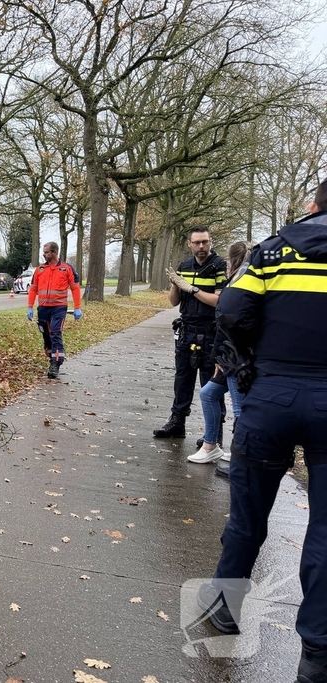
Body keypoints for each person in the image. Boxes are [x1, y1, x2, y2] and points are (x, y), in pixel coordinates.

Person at [201, 180, 327, 683]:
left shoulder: (275, 250)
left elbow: (231, 310)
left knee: (247, 518)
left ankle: (218, 615)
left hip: (271, 396)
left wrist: (253, 359)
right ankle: (316, 656)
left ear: (314, 206)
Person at [154, 226, 228, 437]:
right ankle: (177, 422)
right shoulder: (184, 266)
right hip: (186, 331)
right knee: (183, 378)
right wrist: (176, 285)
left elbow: (219, 301)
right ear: (190, 244)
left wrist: (192, 289)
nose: (201, 246)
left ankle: (215, 433)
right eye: (197, 243)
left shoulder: (219, 266)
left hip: (210, 331)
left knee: (210, 382)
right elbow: (173, 302)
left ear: (210, 241)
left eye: (205, 242)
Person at [187, 241, 253, 466]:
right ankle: (211, 445)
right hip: (229, 354)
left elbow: (230, 323)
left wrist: (223, 356)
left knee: (239, 407)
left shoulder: (241, 285)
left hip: (237, 358)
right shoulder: (236, 282)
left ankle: (241, 455)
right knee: (208, 394)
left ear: (231, 261)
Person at [26, 242, 82, 379]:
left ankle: (56, 363)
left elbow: (75, 287)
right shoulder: (40, 270)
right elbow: (33, 288)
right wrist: (30, 306)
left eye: (46, 252)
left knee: (55, 333)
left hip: (59, 308)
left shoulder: (66, 268)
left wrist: (77, 307)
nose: (43, 254)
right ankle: (51, 356)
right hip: (43, 308)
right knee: (46, 336)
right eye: (44, 252)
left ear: (54, 253)